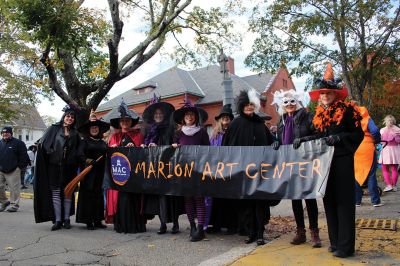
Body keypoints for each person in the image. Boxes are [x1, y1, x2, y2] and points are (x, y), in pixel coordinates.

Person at [305, 63, 363, 258]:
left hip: (342, 161)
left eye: (328, 93)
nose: (325, 96)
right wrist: (303, 139)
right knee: (328, 200)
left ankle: (346, 247)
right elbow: (317, 136)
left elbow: (358, 134)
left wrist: (340, 138)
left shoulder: (348, 110)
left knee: (344, 203)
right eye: (322, 94)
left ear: (336, 94)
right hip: (325, 163)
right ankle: (335, 242)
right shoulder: (319, 114)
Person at [222, 89, 279, 246]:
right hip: (242, 173)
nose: (249, 107)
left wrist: (275, 142)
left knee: (260, 203)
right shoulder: (235, 123)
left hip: (260, 172)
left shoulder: (260, 123)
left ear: (255, 105)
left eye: (251, 104)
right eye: (246, 105)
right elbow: (226, 146)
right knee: (246, 205)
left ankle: (260, 233)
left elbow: (270, 139)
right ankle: (250, 232)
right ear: (241, 106)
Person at [271, 89, 321, 248]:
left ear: (297, 102)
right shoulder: (282, 120)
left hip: (305, 162)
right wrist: (277, 142)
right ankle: (300, 232)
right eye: (286, 102)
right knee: (295, 198)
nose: (289, 104)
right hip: (289, 163)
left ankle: (314, 232)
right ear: (282, 105)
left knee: (309, 197)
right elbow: (282, 139)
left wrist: (303, 139)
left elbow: (318, 135)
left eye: (292, 101)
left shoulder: (307, 117)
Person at [34, 105, 84, 230]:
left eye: (72, 117)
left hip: (69, 168)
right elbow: (44, 144)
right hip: (54, 166)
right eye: (68, 116)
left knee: (68, 192)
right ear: (63, 117)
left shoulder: (75, 133)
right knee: (55, 193)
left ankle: (66, 219)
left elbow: (79, 149)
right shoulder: (54, 129)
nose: (70, 118)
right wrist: (53, 153)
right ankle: (58, 220)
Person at [142, 95, 184, 234]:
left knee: (172, 196)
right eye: (156, 114)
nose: (158, 115)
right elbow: (147, 148)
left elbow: (176, 146)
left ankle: (176, 224)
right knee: (159, 196)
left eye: (160, 113)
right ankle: (162, 224)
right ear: (153, 116)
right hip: (156, 169)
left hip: (169, 168)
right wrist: (146, 146)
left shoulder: (171, 129)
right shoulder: (150, 130)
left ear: (164, 115)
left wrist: (166, 146)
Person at [172, 98, 210, 242]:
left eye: (192, 115)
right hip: (184, 170)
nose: (189, 117)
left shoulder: (202, 132)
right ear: (183, 118)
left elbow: (209, 151)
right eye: (187, 115)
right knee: (188, 199)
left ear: (195, 117)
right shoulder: (178, 133)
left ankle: (200, 229)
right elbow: (173, 152)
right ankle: (192, 226)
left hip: (199, 169)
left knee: (199, 198)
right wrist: (174, 147)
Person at [106, 100, 146, 233]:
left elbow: (142, 154)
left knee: (133, 199)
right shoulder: (114, 137)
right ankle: (121, 225)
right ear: (119, 122)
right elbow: (110, 155)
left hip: (134, 175)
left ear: (131, 122)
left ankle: (135, 226)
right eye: (122, 121)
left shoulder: (138, 135)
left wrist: (134, 147)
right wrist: (114, 148)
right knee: (121, 199)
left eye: (127, 120)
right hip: (120, 175)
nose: (125, 123)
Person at [76, 110, 110, 230]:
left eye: (96, 128)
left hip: (100, 172)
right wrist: (89, 161)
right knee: (88, 196)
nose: (94, 129)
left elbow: (108, 154)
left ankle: (97, 220)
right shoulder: (84, 142)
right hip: (89, 172)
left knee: (98, 195)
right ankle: (88, 220)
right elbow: (80, 155)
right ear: (89, 130)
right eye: (92, 128)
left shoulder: (102, 142)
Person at [207, 104, 235, 234]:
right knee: (217, 198)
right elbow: (210, 151)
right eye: (223, 117)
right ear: (220, 119)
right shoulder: (214, 135)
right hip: (217, 170)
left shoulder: (234, 133)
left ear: (230, 119)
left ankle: (231, 225)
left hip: (231, 170)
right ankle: (217, 224)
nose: (225, 119)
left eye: (227, 117)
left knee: (229, 198)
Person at [354, 107, 383, 207]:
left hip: (355, 148)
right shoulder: (366, 118)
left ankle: (357, 201)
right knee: (371, 175)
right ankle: (375, 201)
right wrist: (376, 141)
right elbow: (374, 130)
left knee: (356, 174)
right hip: (367, 147)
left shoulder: (351, 118)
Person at [0, 126, 29, 212]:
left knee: (14, 188)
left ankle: (14, 205)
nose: (5, 134)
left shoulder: (18, 143)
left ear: (11, 133)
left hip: (13, 170)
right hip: (1, 169)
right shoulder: (0, 143)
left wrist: (19, 167)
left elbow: (24, 157)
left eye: (7, 133)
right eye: (3, 133)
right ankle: (4, 202)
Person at [378, 115, 400, 192]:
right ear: (394, 121)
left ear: (385, 121)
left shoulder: (382, 130)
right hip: (395, 150)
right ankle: (394, 186)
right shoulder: (398, 130)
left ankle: (389, 185)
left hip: (386, 150)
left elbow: (380, 141)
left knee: (384, 168)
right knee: (394, 169)